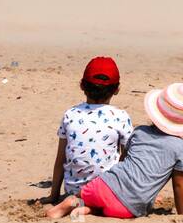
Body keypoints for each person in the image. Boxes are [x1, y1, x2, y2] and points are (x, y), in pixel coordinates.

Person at [46, 82, 183, 219]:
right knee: (111, 209)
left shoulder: (140, 132)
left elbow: (123, 160)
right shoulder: (181, 148)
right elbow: (179, 186)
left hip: (103, 185)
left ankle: (76, 203)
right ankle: (89, 210)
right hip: (129, 207)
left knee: (93, 197)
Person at [47, 57, 133, 206]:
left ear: (82, 85)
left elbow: (60, 159)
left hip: (72, 192)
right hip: (107, 191)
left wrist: (53, 195)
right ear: (117, 89)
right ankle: (92, 205)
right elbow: (128, 160)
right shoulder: (121, 117)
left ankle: (77, 205)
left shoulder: (70, 114)